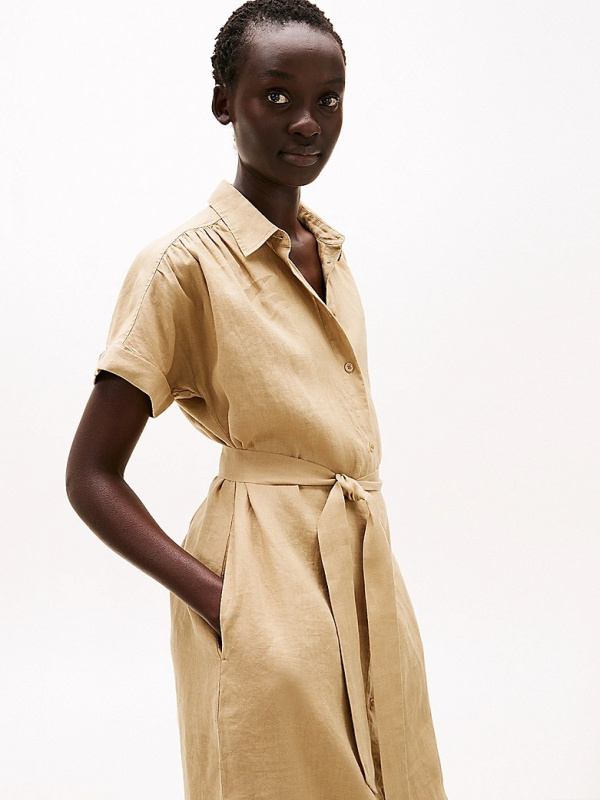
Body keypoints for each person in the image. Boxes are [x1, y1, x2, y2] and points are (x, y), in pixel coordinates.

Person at [66, 1, 448, 798]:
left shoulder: (330, 253)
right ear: (223, 102)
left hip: (368, 574)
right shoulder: (182, 266)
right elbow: (91, 475)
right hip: (260, 582)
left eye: (328, 98)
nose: (307, 122)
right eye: (277, 95)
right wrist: (222, 601)